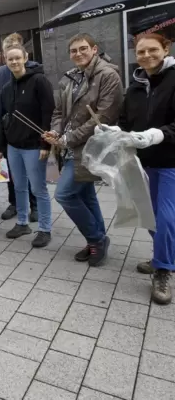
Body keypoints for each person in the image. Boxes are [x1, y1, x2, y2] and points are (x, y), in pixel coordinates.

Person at [43, 33, 123, 267]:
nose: (78, 53)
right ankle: (97, 240)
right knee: (85, 194)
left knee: (65, 195)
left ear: (94, 49)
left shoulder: (108, 75)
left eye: (83, 49)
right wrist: (56, 132)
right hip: (69, 146)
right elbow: (59, 112)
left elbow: (104, 116)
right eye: (74, 50)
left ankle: (96, 239)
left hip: (91, 146)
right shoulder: (70, 77)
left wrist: (69, 138)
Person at [113, 33, 175, 304]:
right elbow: (126, 120)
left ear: (166, 48)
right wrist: (116, 132)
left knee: (166, 218)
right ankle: (163, 256)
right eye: (140, 52)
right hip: (141, 163)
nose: (146, 55)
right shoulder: (135, 86)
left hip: (170, 161)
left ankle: (162, 270)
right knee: (150, 218)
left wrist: (158, 134)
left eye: (152, 50)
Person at [0, 43, 55, 248]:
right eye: (10, 59)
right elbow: (3, 119)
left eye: (17, 58)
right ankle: (22, 223)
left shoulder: (39, 81)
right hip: (13, 146)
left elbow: (49, 113)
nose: (14, 62)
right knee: (19, 186)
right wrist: (1, 148)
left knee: (39, 188)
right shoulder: (5, 88)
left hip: (33, 146)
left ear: (25, 57)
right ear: (5, 60)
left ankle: (45, 229)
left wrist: (45, 145)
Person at [0, 35, 38, 221]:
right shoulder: (1, 71)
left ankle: (34, 205)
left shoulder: (33, 70)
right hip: (8, 130)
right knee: (8, 172)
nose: (12, 56)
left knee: (32, 175)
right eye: (7, 50)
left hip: (28, 132)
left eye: (15, 48)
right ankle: (14, 204)